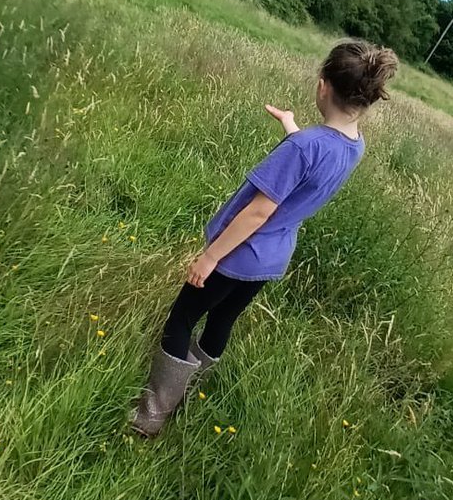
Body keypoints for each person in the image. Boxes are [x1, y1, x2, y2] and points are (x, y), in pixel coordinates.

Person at [131, 39, 398, 437]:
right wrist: (292, 128)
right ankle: (187, 392)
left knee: (183, 317)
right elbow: (311, 162)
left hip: (239, 254)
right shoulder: (353, 145)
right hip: (271, 259)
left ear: (323, 84)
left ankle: (150, 417)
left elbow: (258, 211)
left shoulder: (305, 147)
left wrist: (209, 258)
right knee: (223, 319)